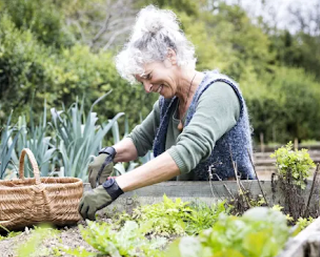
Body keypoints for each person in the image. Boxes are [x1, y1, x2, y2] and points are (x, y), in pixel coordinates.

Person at [78, 5, 255, 220]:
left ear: (171, 57)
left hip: (232, 211)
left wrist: (116, 186)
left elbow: (187, 151)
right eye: (141, 81)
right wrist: (110, 154)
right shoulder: (169, 102)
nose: (147, 87)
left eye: (149, 76)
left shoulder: (219, 92)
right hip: (191, 210)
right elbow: (140, 139)